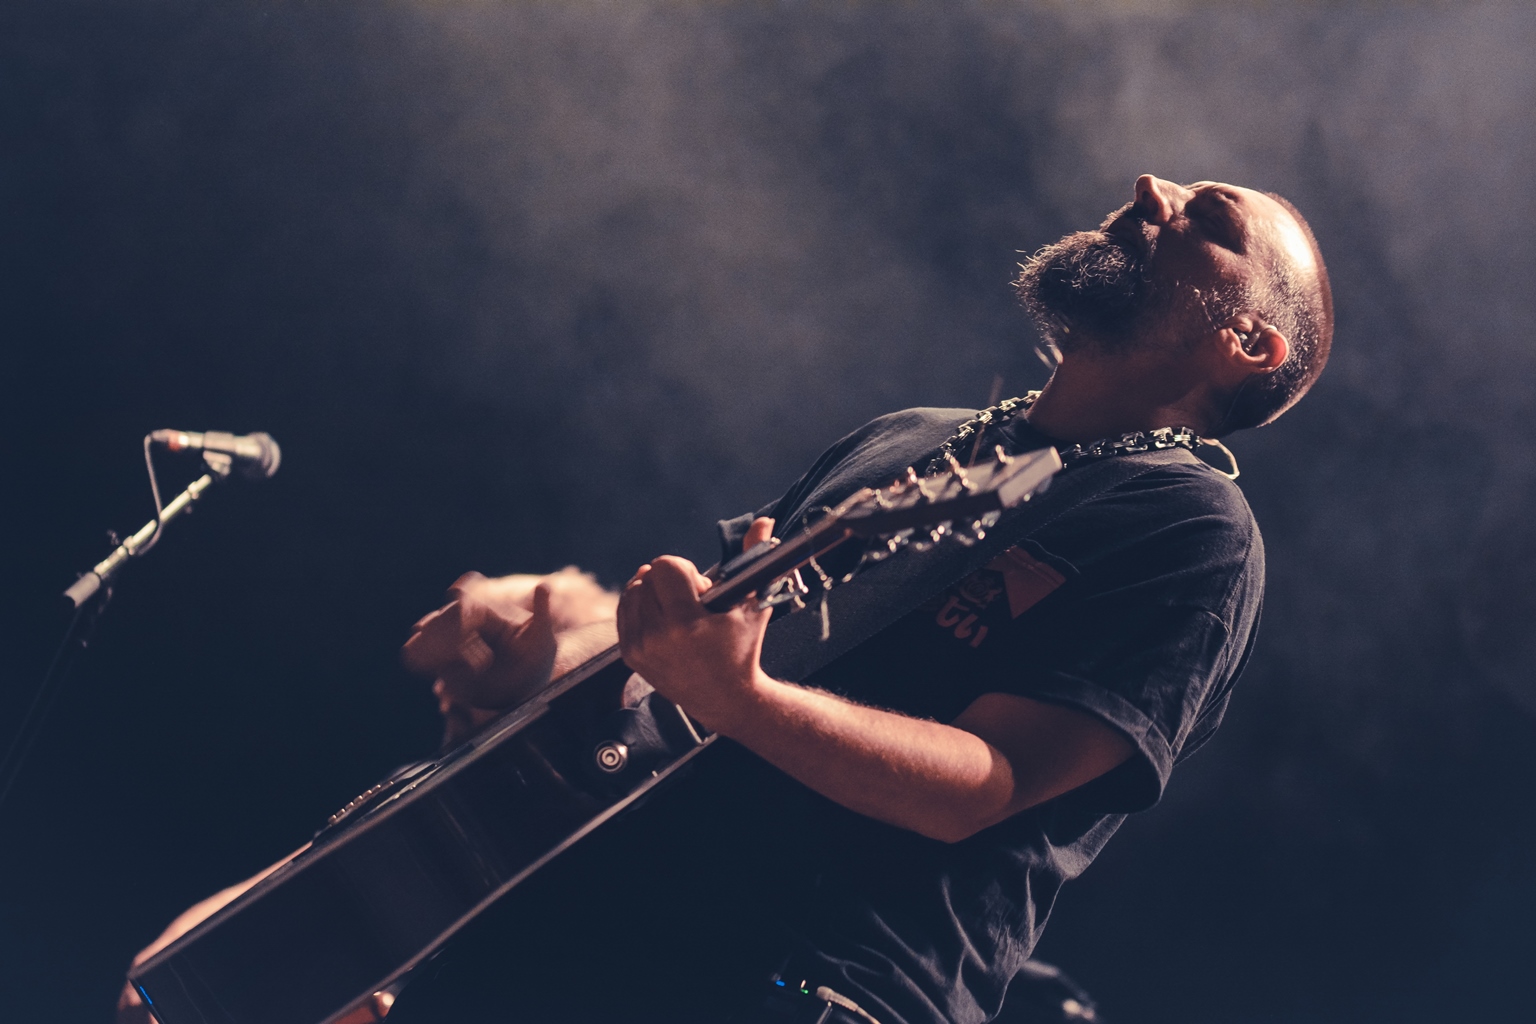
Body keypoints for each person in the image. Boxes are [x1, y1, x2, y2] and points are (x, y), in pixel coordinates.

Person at [120, 174, 1332, 1024]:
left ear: (1251, 345)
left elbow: (989, 787)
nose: (1152, 186)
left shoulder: (1192, 527)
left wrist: (742, 693)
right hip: (576, 936)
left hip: (801, 985)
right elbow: (662, 696)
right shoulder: (912, 438)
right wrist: (359, 913)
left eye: (1210, 222)